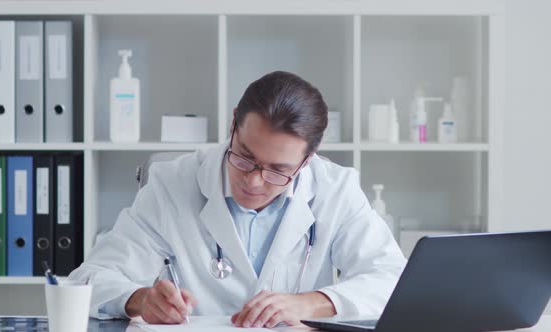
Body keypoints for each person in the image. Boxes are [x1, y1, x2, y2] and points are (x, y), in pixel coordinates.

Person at [69, 71, 406, 328]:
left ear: (308, 159)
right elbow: (88, 281)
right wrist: (140, 299)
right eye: (245, 157)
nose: (254, 181)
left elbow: (393, 282)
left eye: (278, 171)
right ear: (233, 125)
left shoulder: (335, 189)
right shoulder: (172, 183)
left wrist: (310, 304)